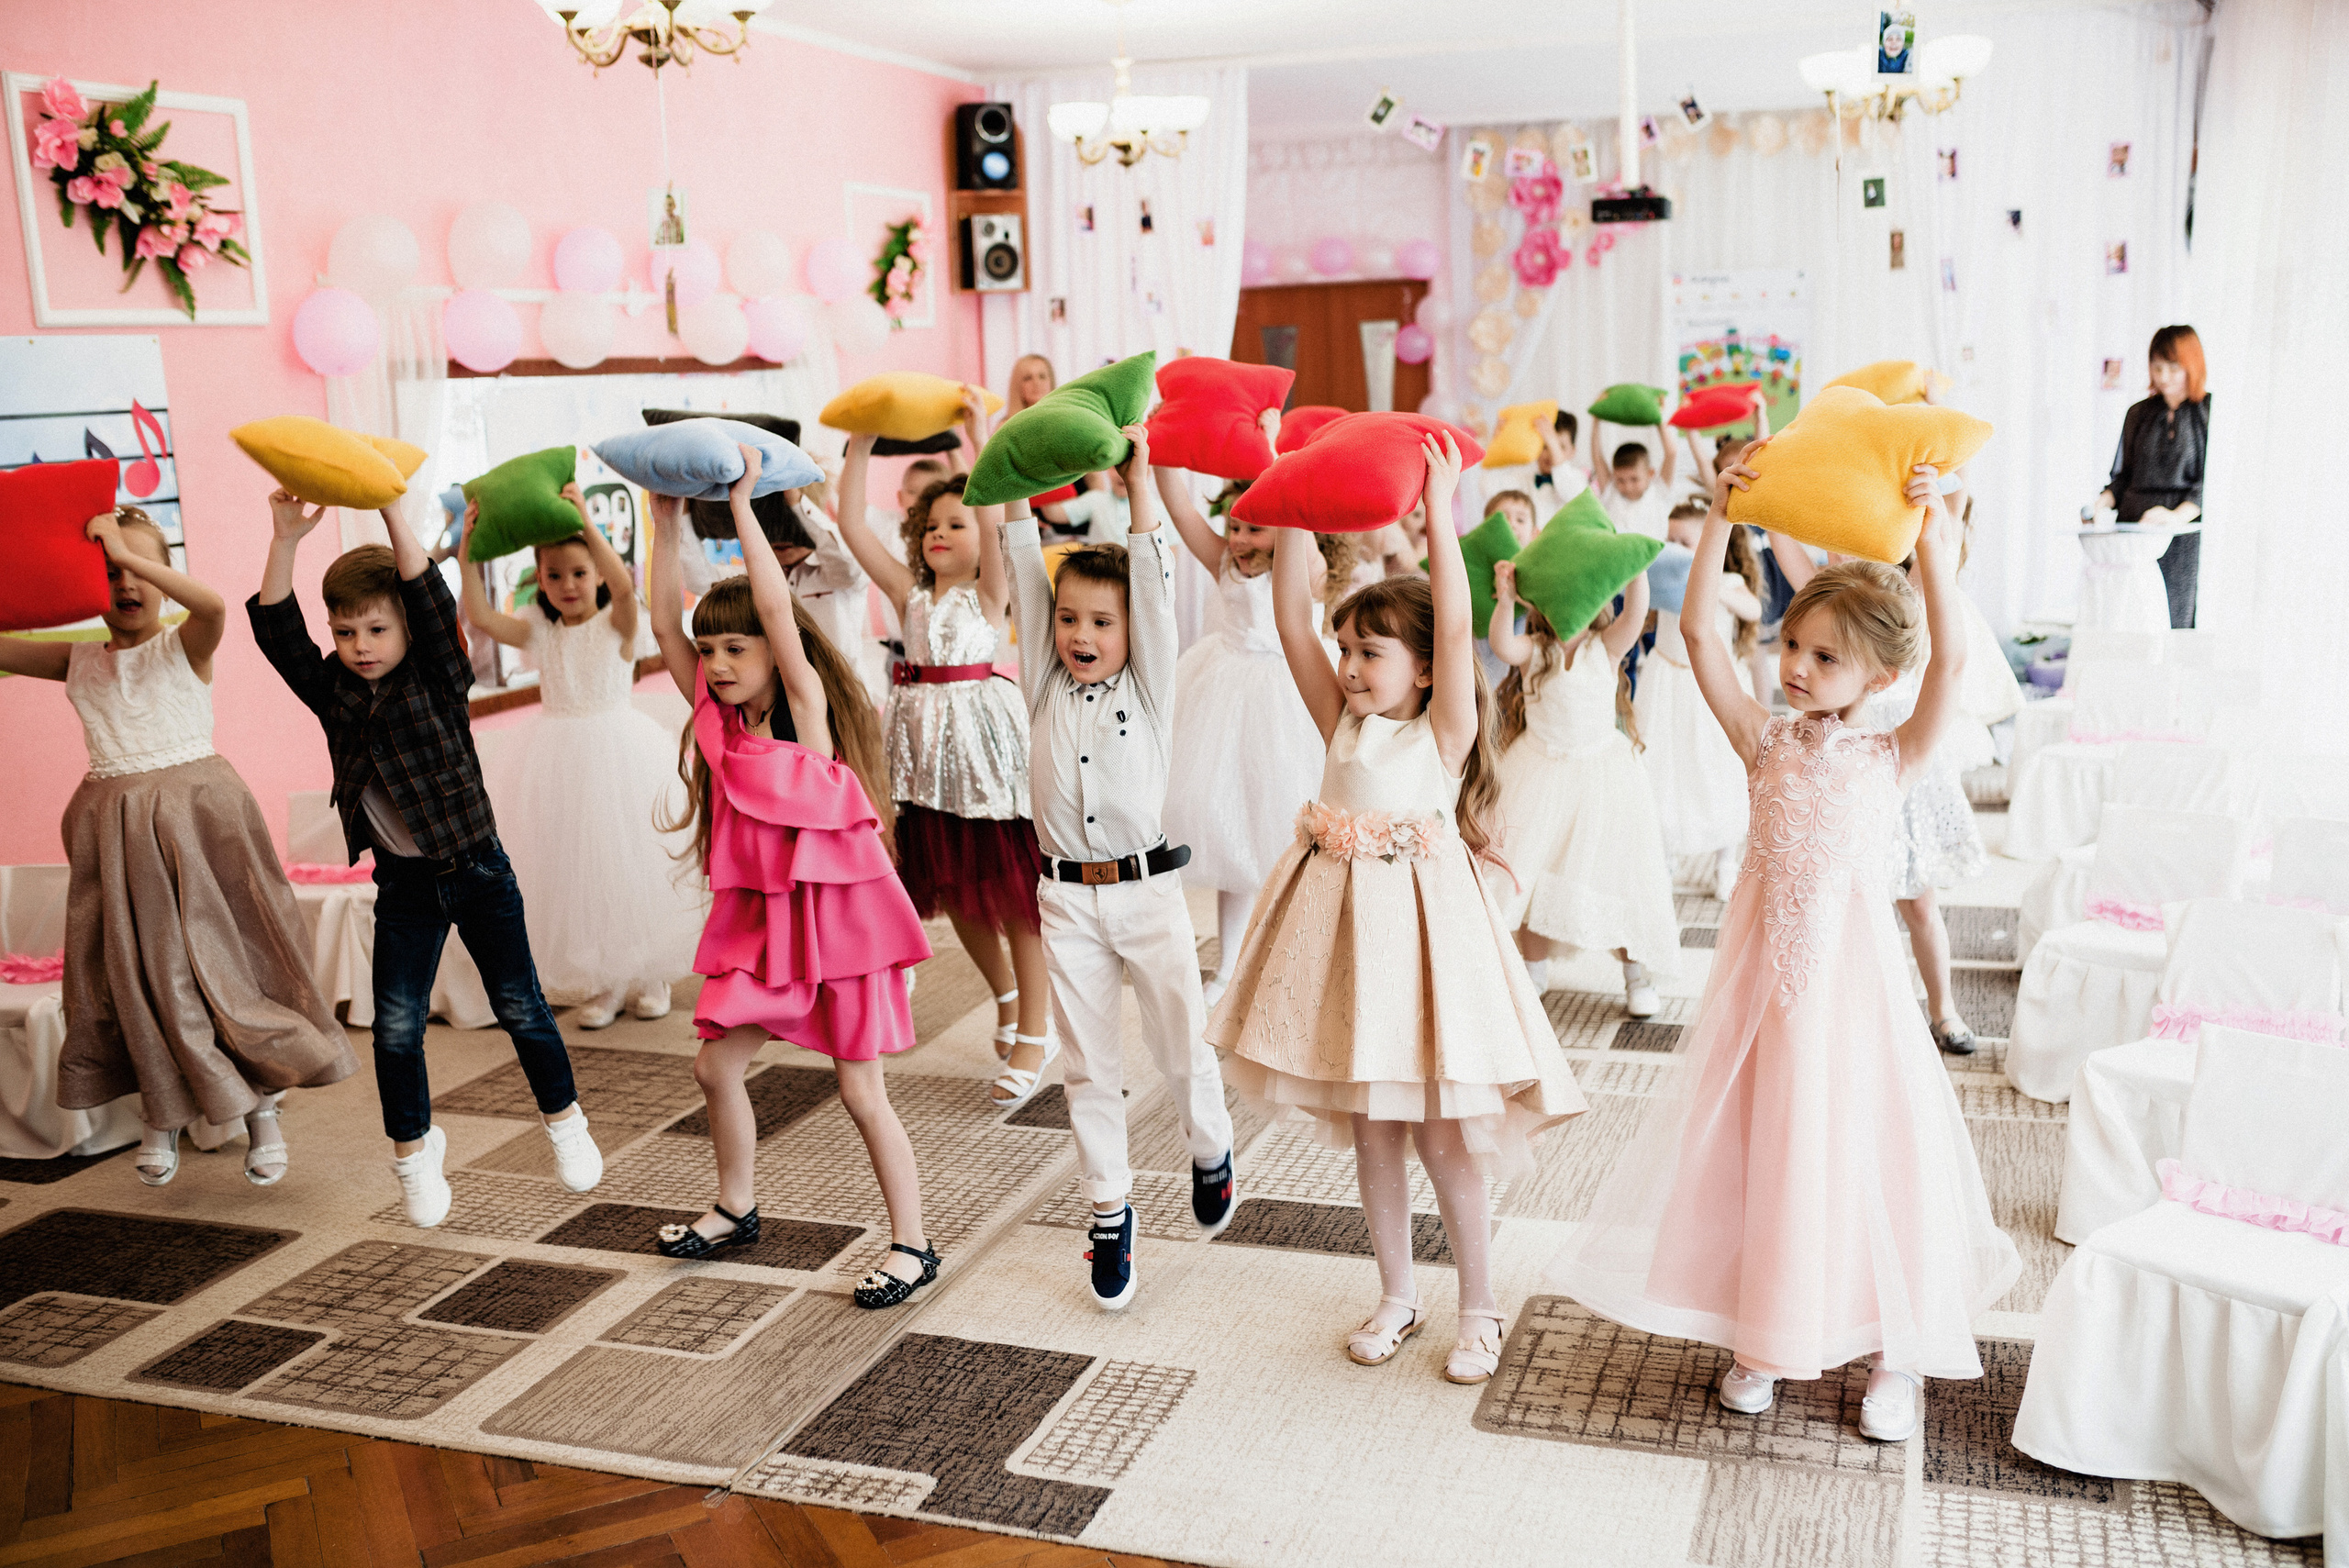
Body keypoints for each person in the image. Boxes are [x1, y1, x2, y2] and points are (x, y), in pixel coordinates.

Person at [1548, 452, 2020, 1444]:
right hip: (1763, 991)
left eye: (1823, 657)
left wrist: (1933, 545)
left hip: (1853, 994)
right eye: (1792, 644)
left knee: (1863, 1148)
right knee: (1768, 1145)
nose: (1795, 667)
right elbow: (1696, 632)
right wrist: (1723, 510)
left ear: (1880, 676)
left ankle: (1893, 1344)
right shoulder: (1764, 739)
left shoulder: (1894, 753)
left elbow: (1952, 664)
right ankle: (1766, 1329)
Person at [1210, 434, 1585, 1385]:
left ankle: (1481, 1303)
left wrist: (1438, 511)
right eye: (1348, 647)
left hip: (1427, 954)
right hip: (1346, 952)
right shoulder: (1339, 717)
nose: (1346, 662)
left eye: (1369, 650)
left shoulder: (1441, 730)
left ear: (1420, 669)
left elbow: (1455, 631)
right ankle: (1395, 1289)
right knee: (1372, 1130)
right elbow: (1295, 625)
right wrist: (1292, 503)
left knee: (1441, 1133)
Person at [250, 492, 603, 1227]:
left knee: (520, 1005)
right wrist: (286, 538)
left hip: (478, 869)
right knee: (396, 1027)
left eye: (377, 628)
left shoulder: (440, 677)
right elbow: (279, 631)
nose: (361, 644)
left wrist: (391, 514)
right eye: (345, 632)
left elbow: (428, 593)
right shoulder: (334, 693)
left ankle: (565, 1121)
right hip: (405, 886)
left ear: (409, 628)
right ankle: (413, 1155)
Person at [642, 449, 941, 1307]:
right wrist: (663, 526)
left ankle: (913, 1244)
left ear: (776, 652)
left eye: (738, 648)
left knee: (859, 1090)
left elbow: (776, 607)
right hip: (768, 937)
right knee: (713, 1066)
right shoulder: (719, 725)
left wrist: (741, 507)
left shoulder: (806, 712)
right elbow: (665, 627)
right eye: (714, 651)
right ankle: (735, 1206)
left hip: (839, 940)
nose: (721, 662)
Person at [2, 507, 353, 1187]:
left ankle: (263, 1112)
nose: (124, 583)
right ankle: (160, 1113)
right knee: (140, 977)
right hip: (118, 839)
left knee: (230, 967)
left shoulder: (186, 644)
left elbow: (215, 603)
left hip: (202, 829)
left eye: (137, 569)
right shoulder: (77, 663)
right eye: (105, 574)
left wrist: (125, 553)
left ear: (162, 577)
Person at [1004, 428, 1238, 1308]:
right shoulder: (1041, 684)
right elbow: (1024, 564)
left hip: (1148, 893)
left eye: (1102, 621)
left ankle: (1209, 1145)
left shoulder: (1152, 685)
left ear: (1134, 631)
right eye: (1069, 619)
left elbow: (1151, 566)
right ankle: (1110, 1208)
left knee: (1182, 1044)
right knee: (1088, 1064)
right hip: (1066, 900)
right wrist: (1011, 479)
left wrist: (1141, 479)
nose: (1081, 634)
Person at [832, 393, 1052, 1100]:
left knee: (1016, 898)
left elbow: (996, 518)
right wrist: (862, 444)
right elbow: (850, 528)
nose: (939, 532)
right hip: (924, 765)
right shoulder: (912, 597)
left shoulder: (991, 593)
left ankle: (1037, 1031)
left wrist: (978, 437)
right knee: (956, 891)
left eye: (956, 521)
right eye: (930, 524)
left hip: (985, 756)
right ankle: (1006, 996)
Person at [461, 491, 704, 1030]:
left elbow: (623, 586)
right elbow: (477, 615)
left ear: (596, 572)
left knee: (629, 863)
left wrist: (588, 523)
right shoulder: (539, 630)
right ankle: (605, 981)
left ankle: (649, 975)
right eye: (553, 576)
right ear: (540, 582)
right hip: (557, 759)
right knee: (578, 869)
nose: (567, 585)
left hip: (618, 753)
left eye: (578, 572)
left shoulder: (618, 623)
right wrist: (469, 549)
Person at [1154, 460, 1330, 1008]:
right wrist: (1158, 459)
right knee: (1232, 833)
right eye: (1234, 525)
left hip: (1286, 698)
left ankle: (1296, 958)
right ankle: (1229, 966)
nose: (1238, 538)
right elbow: (1180, 509)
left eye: (1254, 527)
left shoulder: (1306, 567)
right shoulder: (1226, 565)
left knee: (1285, 835)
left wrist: (1276, 457)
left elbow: (1299, 520)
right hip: (1221, 693)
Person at [1486, 558, 1675, 1015]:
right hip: (1539, 770)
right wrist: (1506, 596)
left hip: (1602, 776)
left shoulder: (1605, 646)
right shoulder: (1536, 648)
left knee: (1620, 873)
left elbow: (1636, 613)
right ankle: (1534, 968)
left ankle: (1636, 974)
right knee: (1532, 869)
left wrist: (1633, 568)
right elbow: (1500, 644)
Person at [1638, 503, 1762, 900]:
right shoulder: (1662, 578)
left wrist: (1715, 588)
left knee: (1716, 766)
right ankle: (1665, 852)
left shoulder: (1726, 579)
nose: (1674, 548)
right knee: (1663, 767)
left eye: (1685, 542)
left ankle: (1726, 861)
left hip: (1709, 686)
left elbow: (1753, 609)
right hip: (1665, 681)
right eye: (1669, 540)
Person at [2099, 324, 2208, 628]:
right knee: (2131, 619)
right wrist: (2100, 504)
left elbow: (2208, 485)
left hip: (2181, 535)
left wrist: (2174, 517)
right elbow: (2122, 478)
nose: (2163, 377)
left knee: (2175, 619)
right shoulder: (2138, 413)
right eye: (2157, 367)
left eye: (2173, 367)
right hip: (2134, 529)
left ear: (2192, 365)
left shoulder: (2208, 413)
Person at [1589, 423, 1677, 541]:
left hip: (1656, 558)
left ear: (1650, 474)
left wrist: (1659, 422)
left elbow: (1671, 454)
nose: (1628, 486)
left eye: (1634, 479)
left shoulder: (1658, 491)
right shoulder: (1611, 491)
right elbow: (1597, 457)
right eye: (1620, 480)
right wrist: (1596, 421)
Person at [1530, 412, 1587, 506]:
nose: (1551, 454)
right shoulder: (1522, 479)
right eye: (1545, 446)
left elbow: (1571, 494)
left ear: (1573, 452)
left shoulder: (1578, 479)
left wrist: (1553, 442)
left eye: (1561, 447)